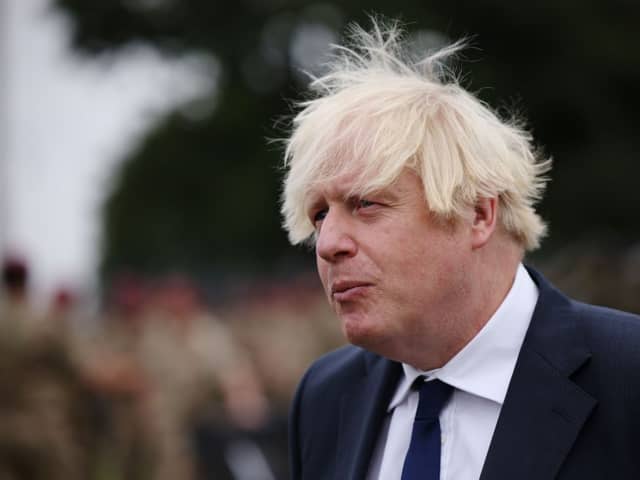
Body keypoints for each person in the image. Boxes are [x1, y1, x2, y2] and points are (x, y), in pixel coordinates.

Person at [280, 18, 640, 480]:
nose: (328, 244)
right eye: (319, 216)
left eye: (365, 204)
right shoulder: (326, 396)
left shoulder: (627, 376)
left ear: (478, 215)